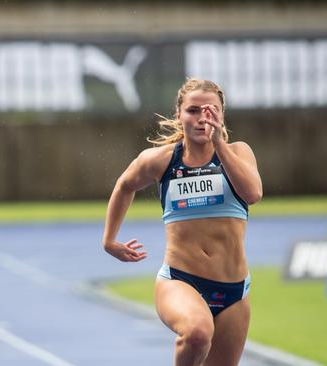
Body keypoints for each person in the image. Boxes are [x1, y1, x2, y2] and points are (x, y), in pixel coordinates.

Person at [102, 78, 262, 366]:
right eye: (193, 110)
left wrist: (218, 145)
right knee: (198, 333)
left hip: (234, 292)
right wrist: (109, 240)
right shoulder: (161, 160)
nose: (202, 118)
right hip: (180, 281)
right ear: (179, 114)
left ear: (222, 115)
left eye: (211, 111)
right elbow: (125, 185)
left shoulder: (238, 153)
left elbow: (253, 194)